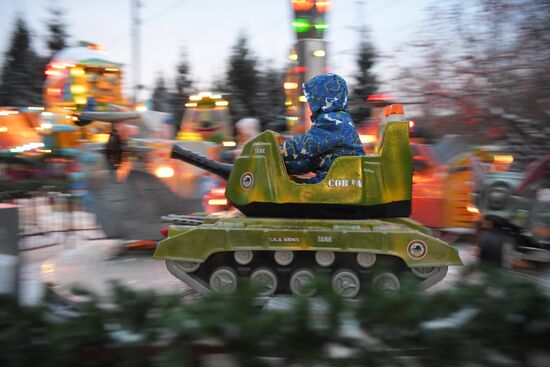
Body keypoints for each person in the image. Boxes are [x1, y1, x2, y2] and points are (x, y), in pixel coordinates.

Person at [280, 73, 365, 183]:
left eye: (311, 100)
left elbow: (307, 144)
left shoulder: (332, 121)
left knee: (295, 192)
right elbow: (314, 160)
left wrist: (280, 149)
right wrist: (288, 166)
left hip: (340, 179)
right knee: (294, 182)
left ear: (321, 100)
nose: (309, 106)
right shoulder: (338, 118)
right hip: (338, 174)